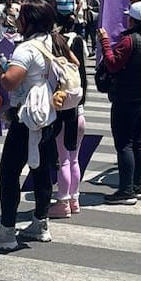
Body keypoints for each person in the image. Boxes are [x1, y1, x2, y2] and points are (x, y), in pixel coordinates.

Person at [0, 0, 60, 248]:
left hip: (25, 116)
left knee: (8, 172)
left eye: (20, 17)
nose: (16, 21)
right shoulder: (53, 41)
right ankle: (40, 223)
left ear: (29, 21)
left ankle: (6, 231)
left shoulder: (25, 49)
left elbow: (10, 82)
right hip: (47, 113)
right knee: (42, 171)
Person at [97, 1, 141, 205]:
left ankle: (126, 190)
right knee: (139, 141)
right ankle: (138, 186)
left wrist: (105, 42)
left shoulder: (129, 41)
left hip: (126, 99)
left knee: (124, 145)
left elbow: (112, 64)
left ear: (132, 20)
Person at [49, 21, 87, 219]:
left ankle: (63, 202)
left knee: (63, 160)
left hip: (63, 117)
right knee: (74, 159)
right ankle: (74, 200)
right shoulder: (74, 66)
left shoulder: (55, 66)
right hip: (79, 114)